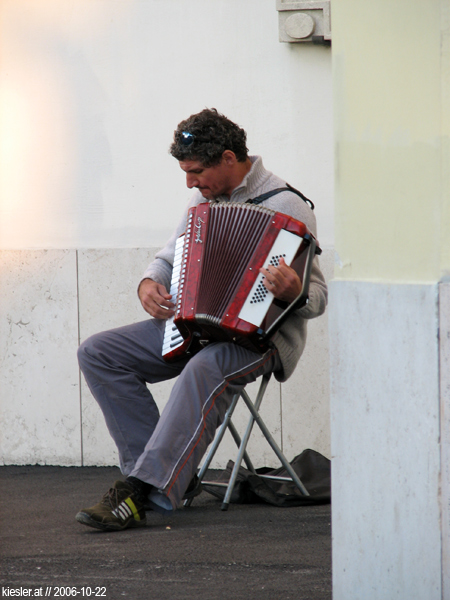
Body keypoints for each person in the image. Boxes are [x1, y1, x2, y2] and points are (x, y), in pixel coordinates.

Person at [76, 108, 328, 531]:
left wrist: (292, 291)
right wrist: (148, 283)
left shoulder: (288, 204)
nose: (190, 183)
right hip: (196, 327)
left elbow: (318, 298)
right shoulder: (203, 199)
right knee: (99, 353)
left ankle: (139, 490)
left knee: (205, 366)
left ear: (229, 158)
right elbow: (170, 255)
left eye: (195, 172)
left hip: (259, 340)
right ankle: (152, 477)